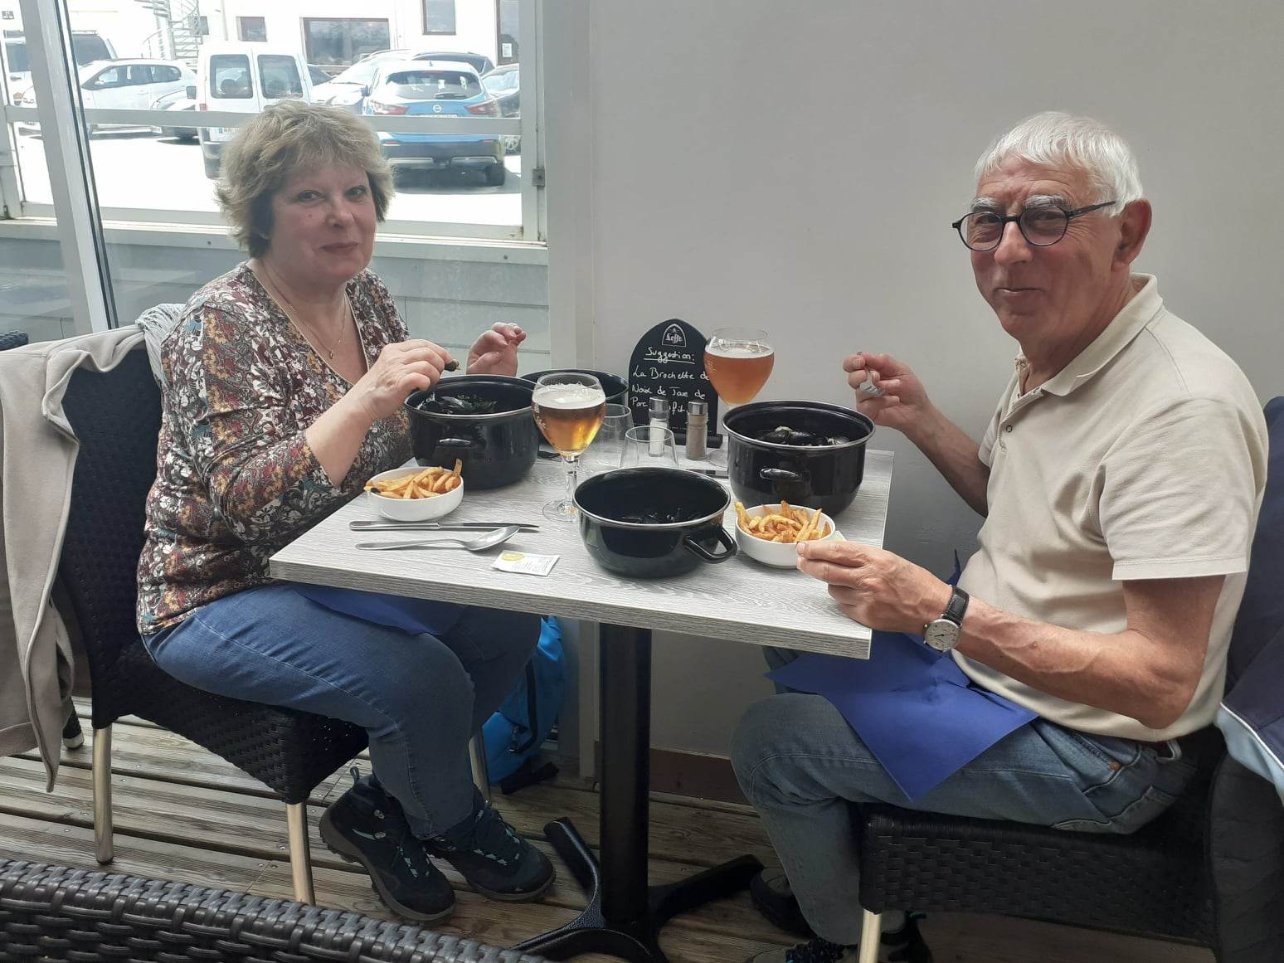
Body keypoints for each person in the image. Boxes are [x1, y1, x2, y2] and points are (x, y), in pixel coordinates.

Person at [731, 111, 1268, 963]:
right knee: (796, 626)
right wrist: (922, 420)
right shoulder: (1064, 344)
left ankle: (862, 940)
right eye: (989, 221)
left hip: (1107, 751)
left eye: (1047, 218)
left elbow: (1162, 684)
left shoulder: (1179, 411)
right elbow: (1022, 506)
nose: (1009, 251)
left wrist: (941, 611)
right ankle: (850, 869)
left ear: (1127, 233)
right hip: (1000, 672)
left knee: (772, 744)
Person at [135, 100, 552, 923]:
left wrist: (471, 381)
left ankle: (381, 808)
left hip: (343, 557)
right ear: (259, 215)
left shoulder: (364, 295)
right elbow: (253, 511)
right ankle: (449, 818)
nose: (342, 215)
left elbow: (400, 441)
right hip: (217, 591)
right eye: (309, 196)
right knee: (420, 676)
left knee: (508, 617)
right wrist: (363, 397)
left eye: (356, 191)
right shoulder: (219, 326)